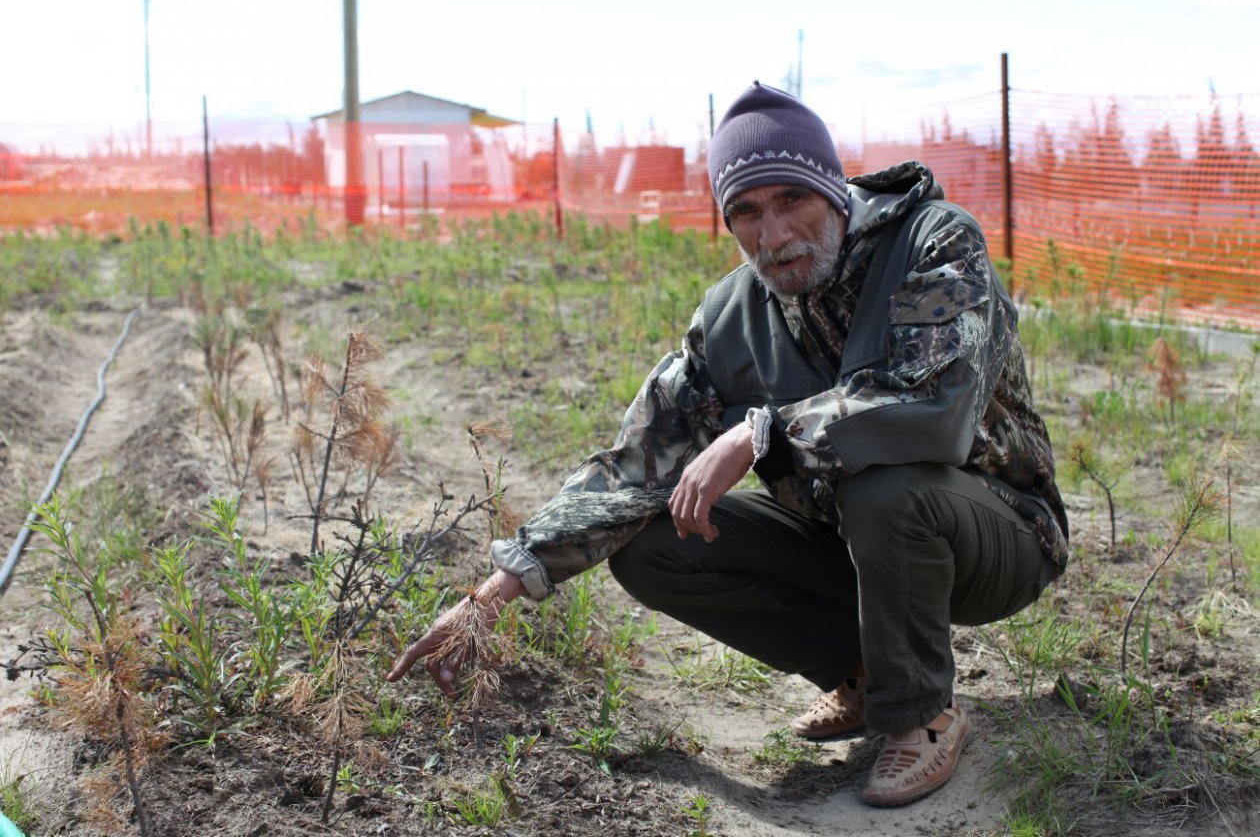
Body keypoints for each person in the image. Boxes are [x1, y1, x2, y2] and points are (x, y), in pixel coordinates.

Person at [387, 81, 1070, 808]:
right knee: (653, 544)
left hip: (996, 532)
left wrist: (757, 434)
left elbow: (934, 411)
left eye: (790, 200)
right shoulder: (730, 316)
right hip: (856, 543)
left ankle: (922, 714)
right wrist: (495, 590)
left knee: (887, 486)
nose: (771, 235)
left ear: (833, 188)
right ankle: (866, 673)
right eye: (745, 212)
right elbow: (635, 465)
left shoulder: (933, 242)